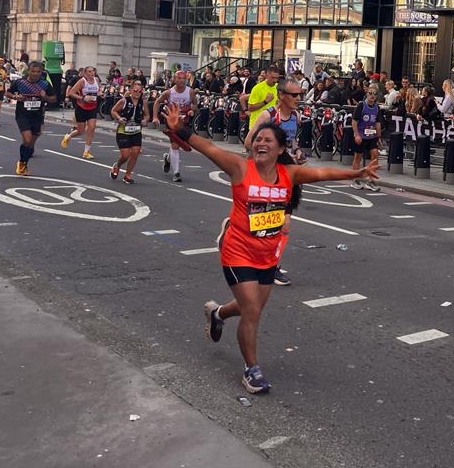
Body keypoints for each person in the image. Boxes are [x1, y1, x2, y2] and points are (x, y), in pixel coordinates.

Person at [159, 107, 377, 395]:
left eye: (268, 141)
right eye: (257, 139)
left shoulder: (289, 173)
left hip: (269, 253)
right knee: (251, 310)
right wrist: (181, 128)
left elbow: (323, 172)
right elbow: (208, 147)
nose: (260, 143)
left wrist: (356, 172)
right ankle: (252, 370)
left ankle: (218, 314)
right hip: (237, 250)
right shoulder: (240, 168)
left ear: (281, 149)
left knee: (252, 308)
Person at [245, 78, 308, 288]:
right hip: (267, 177)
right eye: (294, 95)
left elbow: (292, 142)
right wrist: (268, 153)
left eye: (300, 94)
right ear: (282, 96)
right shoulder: (269, 116)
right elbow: (248, 142)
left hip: (287, 177)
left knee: (285, 223)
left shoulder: (296, 116)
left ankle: (273, 266)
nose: (298, 99)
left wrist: (297, 152)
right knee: (262, 223)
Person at [6, 61, 57, 175]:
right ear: (28, 71)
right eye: (33, 71)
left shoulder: (45, 84)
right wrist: (15, 96)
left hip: (37, 116)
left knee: (30, 143)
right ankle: (22, 163)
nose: (35, 74)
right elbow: (8, 93)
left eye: (38, 72)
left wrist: (45, 97)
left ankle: (23, 163)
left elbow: (54, 99)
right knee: (27, 139)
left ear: (41, 72)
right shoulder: (20, 83)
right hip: (22, 114)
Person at [152, 70, 198, 182]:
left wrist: (192, 110)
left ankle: (168, 158)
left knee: (182, 144)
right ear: (174, 79)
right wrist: (155, 117)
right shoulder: (169, 93)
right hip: (172, 122)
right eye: (179, 78)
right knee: (175, 145)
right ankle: (176, 173)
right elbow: (157, 102)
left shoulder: (190, 92)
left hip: (184, 122)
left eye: (184, 79)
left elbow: (195, 103)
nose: (182, 81)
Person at [111, 79, 147, 184]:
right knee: (125, 155)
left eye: (139, 91)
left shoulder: (143, 102)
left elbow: (147, 115)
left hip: (136, 130)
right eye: (135, 90)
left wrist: (145, 120)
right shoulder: (124, 101)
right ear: (131, 90)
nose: (137, 93)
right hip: (123, 131)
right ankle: (117, 166)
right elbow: (113, 111)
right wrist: (119, 118)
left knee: (135, 153)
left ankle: (128, 175)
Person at [61, 66, 101, 159]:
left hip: (92, 107)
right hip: (82, 107)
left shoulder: (96, 80)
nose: (92, 73)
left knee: (92, 128)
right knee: (80, 131)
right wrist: (83, 98)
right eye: (90, 72)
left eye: (93, 71)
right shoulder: (82, 81)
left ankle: (86, 151)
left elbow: (98, 90)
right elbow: (71, 93)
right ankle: (68, 136)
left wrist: (99, 93)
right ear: (85, 73)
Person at [350, 89, 382, 192]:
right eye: (370, 93)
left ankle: (371, 181)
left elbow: (377, 123)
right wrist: (356, 135)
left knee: (375, 155)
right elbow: (354, 121)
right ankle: (355, 179)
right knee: (358, 157)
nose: (372, 96)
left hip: (372, 136)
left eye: (375, 94)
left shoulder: (377, 107)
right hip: (361, 136)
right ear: (366, 95)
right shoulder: (361, 106)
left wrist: (378, 137)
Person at [244, 67, 280, 135]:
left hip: (272, 126)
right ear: (266, 76)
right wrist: (265, 101)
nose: (275, 80)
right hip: (257, 126)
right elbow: (250, 108)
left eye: (277, 78)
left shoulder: (278, 88)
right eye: (272, 77)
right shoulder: (257, 88)